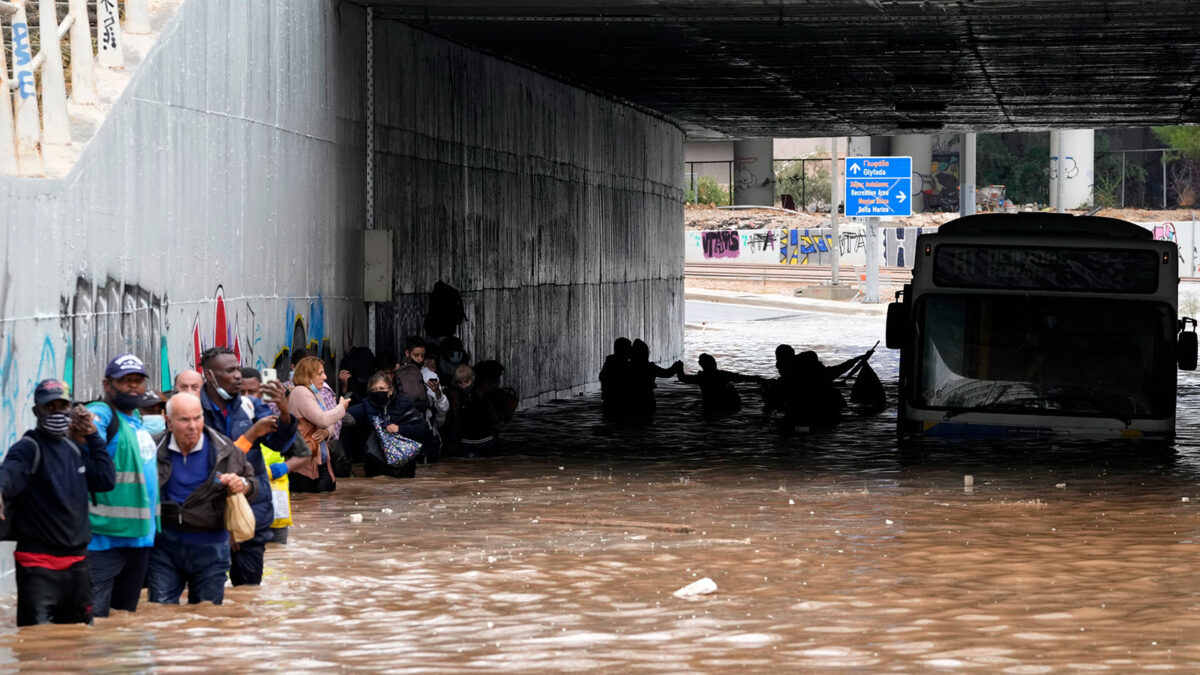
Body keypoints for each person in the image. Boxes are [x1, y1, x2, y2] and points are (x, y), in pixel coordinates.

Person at [0, 380, 115, 626]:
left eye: (62, 406)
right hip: (38, 567)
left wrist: (93, 436)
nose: (57, 413)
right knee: (36, 644)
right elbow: (8, 474)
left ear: (71, 409)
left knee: (78, 642)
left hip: (78, 566)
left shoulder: (72, 449)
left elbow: (105, 480)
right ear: (37, 412)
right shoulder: (28, 448)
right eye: (49, 407)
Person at [198, 347, 295, 587]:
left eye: (237, 369)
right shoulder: (194, 413)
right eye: (229, 370)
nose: (237, 376)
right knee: (208, 599)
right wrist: (251, 434)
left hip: (253, 516)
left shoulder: (250, 406)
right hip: (208, 521)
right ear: (210, 375)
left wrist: (283, 410)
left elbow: (279, 443)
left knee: (248, 597)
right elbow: (211, 463)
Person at [148, 393, 255, 606]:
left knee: (207, 618)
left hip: (211, 547)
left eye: (197, 418)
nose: (192, 426)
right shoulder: (151, 449)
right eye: (184, 420)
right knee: (160, 614)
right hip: (164, 548)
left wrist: (242, 485)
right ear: (168, 421)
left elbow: (252, 483)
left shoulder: (224, 449)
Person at [86, 354, 160, 619]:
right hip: (104, 540)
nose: (132, 386)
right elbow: (88, 428)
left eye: (138, 380)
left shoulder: (136, 419)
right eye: (124, 380)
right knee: (94, 622)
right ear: (108, 385)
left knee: (123, 622)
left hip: (139, 537)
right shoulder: (104, 413)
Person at [239, 368, 310, 544]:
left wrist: (283, 468)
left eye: (252, 392)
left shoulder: (276, 422)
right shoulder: (229, 422)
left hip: (276, 502)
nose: (247, 397)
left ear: (262, 393)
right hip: (242, 503)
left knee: (278, 559)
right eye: (241, 392)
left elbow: (304, 454)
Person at [344, 373, 428, 478]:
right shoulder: (366, 406)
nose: (378, 392)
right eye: (375, 390)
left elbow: (422, 429)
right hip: (376, 466)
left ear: (390, 390)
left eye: (382, 388)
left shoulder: (404, 405)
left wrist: (399, 429)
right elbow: (346, 416)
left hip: (404, 467)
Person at [287, 356, 350, 493]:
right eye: (320, 374)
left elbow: (329, 423)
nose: (325, 377)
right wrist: (341, 408)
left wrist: (327, 432)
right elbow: (323, 419)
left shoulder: (316, 394)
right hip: (304, 463)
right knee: (309, 506)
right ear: (307, 375)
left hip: (319, 459)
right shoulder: (300, 392)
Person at [677, 353, 766, 415]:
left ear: (701, 365)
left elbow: (683, 378)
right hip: (726, 406)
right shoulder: (722, 375)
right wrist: (758, 379)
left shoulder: (701, 378)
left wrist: (679, 368)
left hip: (710, 406)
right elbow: (742, 378)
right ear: (714, 364)